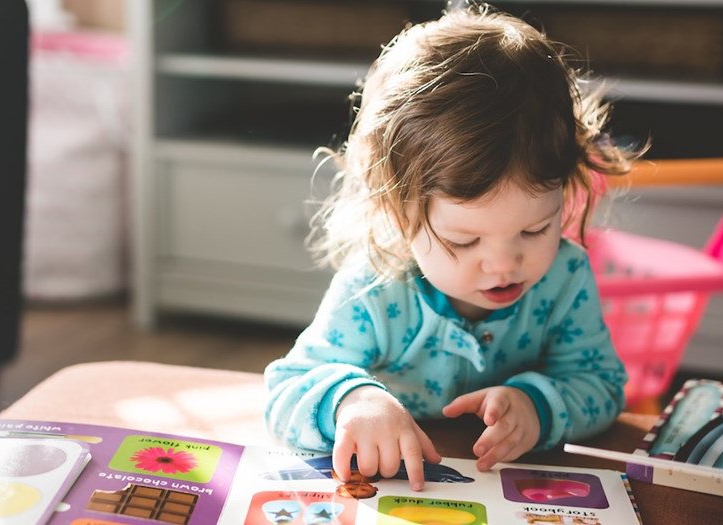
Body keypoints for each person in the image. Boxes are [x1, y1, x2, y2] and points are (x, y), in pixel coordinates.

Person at [264, 4, 644, 492]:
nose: (506, 263)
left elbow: (602, 386)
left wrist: (537, 405)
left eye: (536, 230)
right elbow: (286, 389)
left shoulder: (565, 277)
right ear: (398, 213)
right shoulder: (375, 288)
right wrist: (352, 401)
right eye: (465, 240)